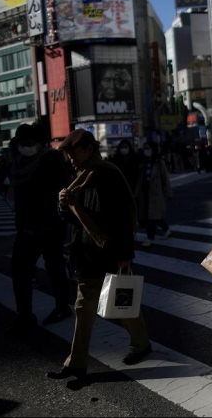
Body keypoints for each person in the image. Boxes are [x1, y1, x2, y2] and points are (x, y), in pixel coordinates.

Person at [48, 129, 152, 380]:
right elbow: (73, 219)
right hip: (85, 252)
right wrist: (64, 204)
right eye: (68, 153)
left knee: (121, 303)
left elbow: (124, 216)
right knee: (83, 307)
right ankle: (76, 362)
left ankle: (141, 345)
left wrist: (125, 254)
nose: (70, 156)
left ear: (89, 149)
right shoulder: (78, 177)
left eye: (74, 151)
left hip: (111, 251)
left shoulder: (107, 173)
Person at [5, 124, 73, 338]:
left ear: (41, 143)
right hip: (26, 227)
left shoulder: (51, 159)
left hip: (49, 227)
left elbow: (64, 189)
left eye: (30, 143)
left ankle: (63, 307)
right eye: (22, 143)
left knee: (54, 267)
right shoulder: (17, 162)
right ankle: (25, 314)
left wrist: (56, 220)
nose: (26, 147)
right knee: (20, 271)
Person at [135, 143, 173, 247]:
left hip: (156, 193)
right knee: (154, 215)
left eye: (148, 148)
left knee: (152, 216)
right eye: (145, 148)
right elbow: (140, 179)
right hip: (145, 192)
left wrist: (169, 193)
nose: (146, 151)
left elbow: (165, 179)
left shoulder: (159, 163)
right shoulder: (143, 163)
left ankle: (149, 237)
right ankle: (166, 230)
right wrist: (137, 193)